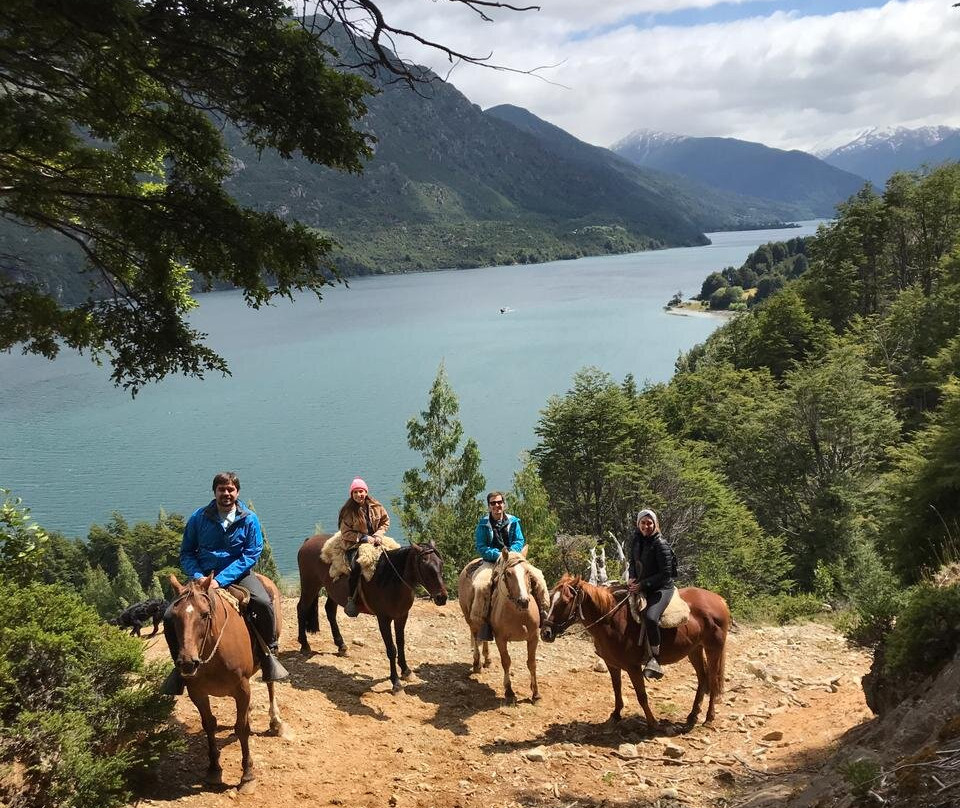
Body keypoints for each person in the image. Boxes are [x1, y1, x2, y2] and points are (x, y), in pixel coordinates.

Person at [161, 472, 289, 695]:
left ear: (237, 492)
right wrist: (198, 575)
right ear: (215, 492)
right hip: (202, 577)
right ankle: (179, 666)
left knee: (262, 603)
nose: (226, 494)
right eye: (222, 489)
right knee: (170, 615)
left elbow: (251, 553)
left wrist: (221, 580)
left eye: (230, 490)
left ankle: (269, 653)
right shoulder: (198, 518)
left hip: (238, 575)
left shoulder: (249, 519)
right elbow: (187, 553)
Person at [473, 491, 548, 641]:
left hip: (514, 560)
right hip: (492, 561)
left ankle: (544, 614)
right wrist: (499, 555)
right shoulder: (483, 524)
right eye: (493, 503)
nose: (497, 506)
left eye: (499, 502)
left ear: (504, 504)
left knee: (538, 577)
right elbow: (481, 546)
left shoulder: (514, 521)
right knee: (481, 586)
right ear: (489, 506)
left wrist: (511, 554)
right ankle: (483, 623)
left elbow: (519, 540)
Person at [627, 508, 677, 680]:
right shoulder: (636, 540)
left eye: (649, 523)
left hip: (661, 588)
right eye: (643, 523)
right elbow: (632, 561)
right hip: (641, 584)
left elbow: (666, 574)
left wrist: (642, 585)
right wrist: (632, 577)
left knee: (650, 617)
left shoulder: (660, 544)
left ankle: (655, 658)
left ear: (655, 524)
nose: (646, 526)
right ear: (638, 524)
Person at [338, 477, 390, 618]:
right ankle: (351, 599)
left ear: (366, 492)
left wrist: (378, 535)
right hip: (355, 543)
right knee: (356, 566)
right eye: (355, 492)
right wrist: (364, 538)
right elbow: (345, 533)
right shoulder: (348, 511)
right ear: (351, 494)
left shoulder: (376, 506)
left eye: (361, 491)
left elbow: (385, 521)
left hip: (376, 540)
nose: (358, 495)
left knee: (393, 557)